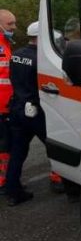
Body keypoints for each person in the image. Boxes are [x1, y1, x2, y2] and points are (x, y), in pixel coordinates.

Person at [5, 21, 45, 205]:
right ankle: (71, 187)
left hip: (17, 108)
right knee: (55, 148)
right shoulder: (41, 59)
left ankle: (13, 191)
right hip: (36, 110)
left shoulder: (16, 54)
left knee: (18, 151)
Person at [0, 9, 16, 195]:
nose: (14, 27)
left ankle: (4, 178)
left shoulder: (5, 44)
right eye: (10, 24)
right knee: (4, 145)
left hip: (6, 105)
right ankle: (3, 180)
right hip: (2, 106)